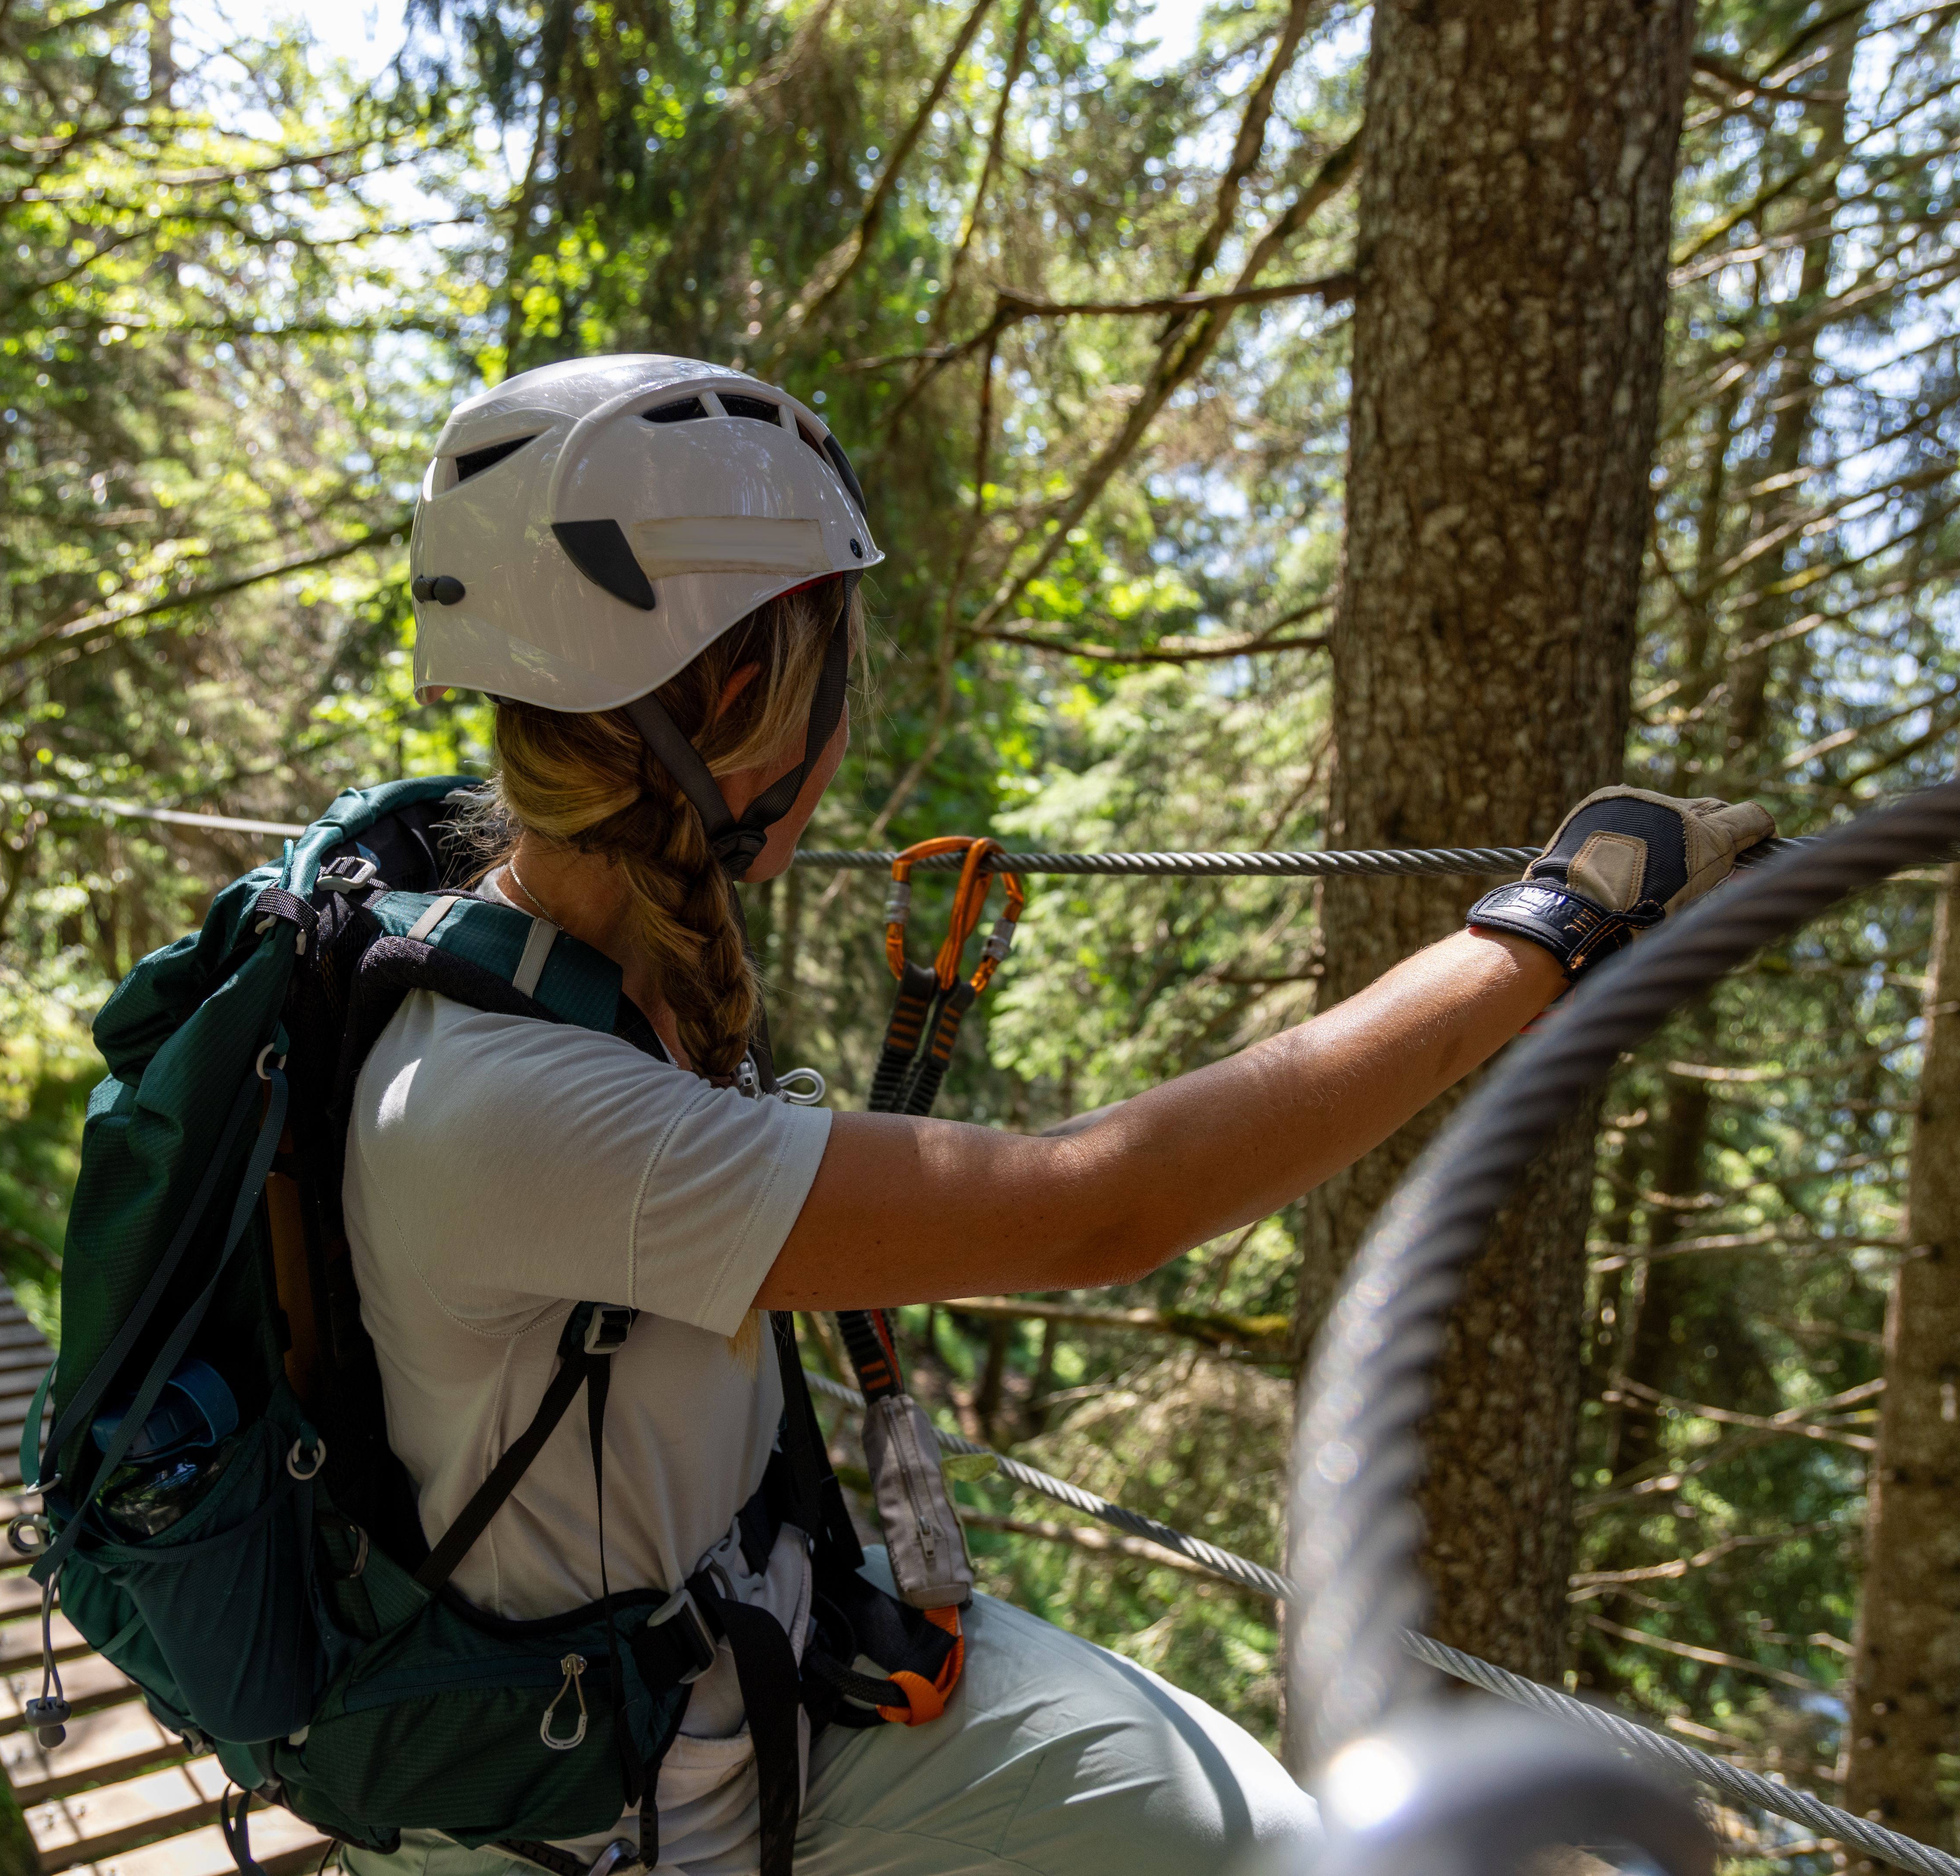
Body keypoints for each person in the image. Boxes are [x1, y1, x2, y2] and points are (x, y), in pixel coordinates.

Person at [353, 353, 1773, 1876]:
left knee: (1245, 1831)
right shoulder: (519, 1100)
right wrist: (1549, 926)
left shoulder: (519, 959)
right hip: (588, 1803)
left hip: (719, 1666)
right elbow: (1104, 1203)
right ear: (745, 699)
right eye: (837, 651)